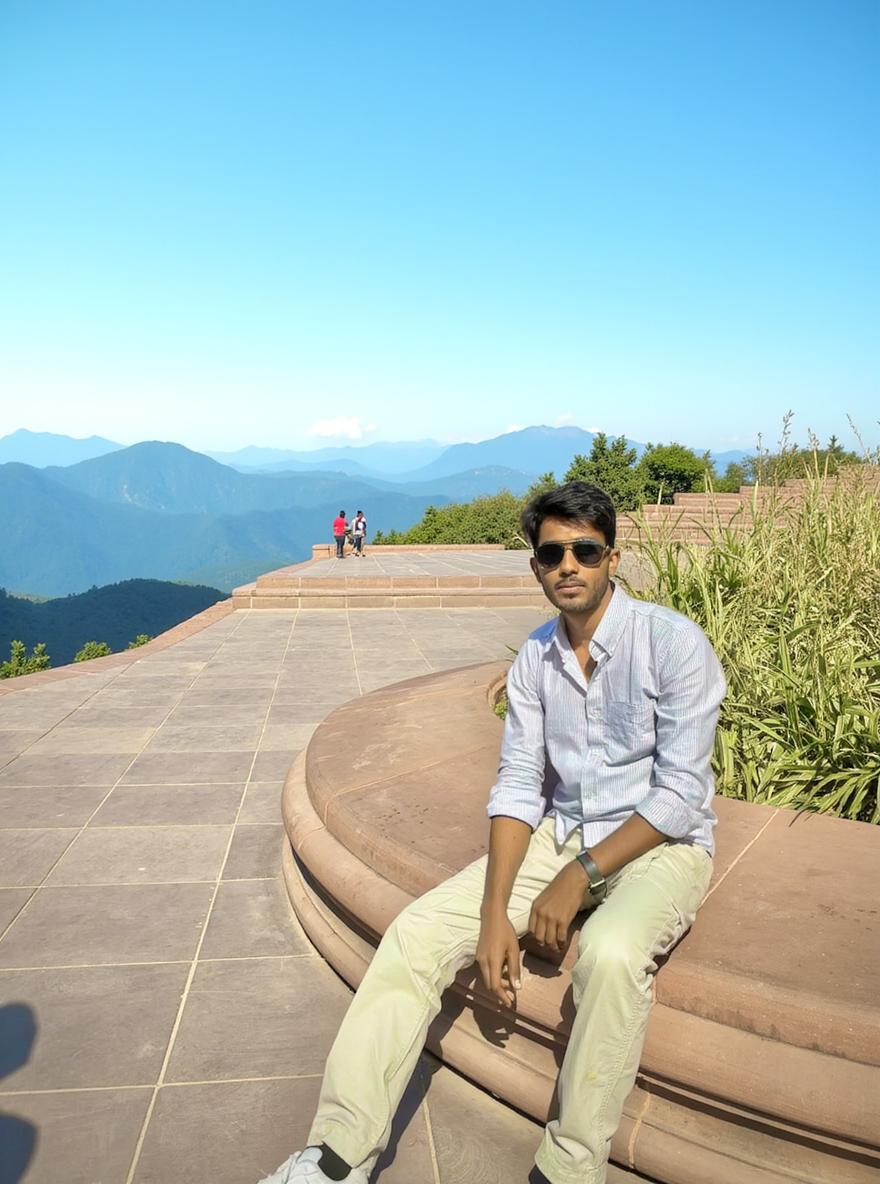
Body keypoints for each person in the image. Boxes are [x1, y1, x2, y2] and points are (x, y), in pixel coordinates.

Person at [262, 481, 726, 1184]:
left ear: (613, 558)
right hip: (560, 832)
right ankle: (334, 1158)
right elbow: (516, 786)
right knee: (417, 935)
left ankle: (569, 1169)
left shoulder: (673, 645)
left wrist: (582, 875)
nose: (567, 565)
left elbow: (683, 793)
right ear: (535, 566)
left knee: (610, 952)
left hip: (662, 846)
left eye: (585, 550)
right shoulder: (535, 659)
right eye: (551, 553)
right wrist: (490, 915)